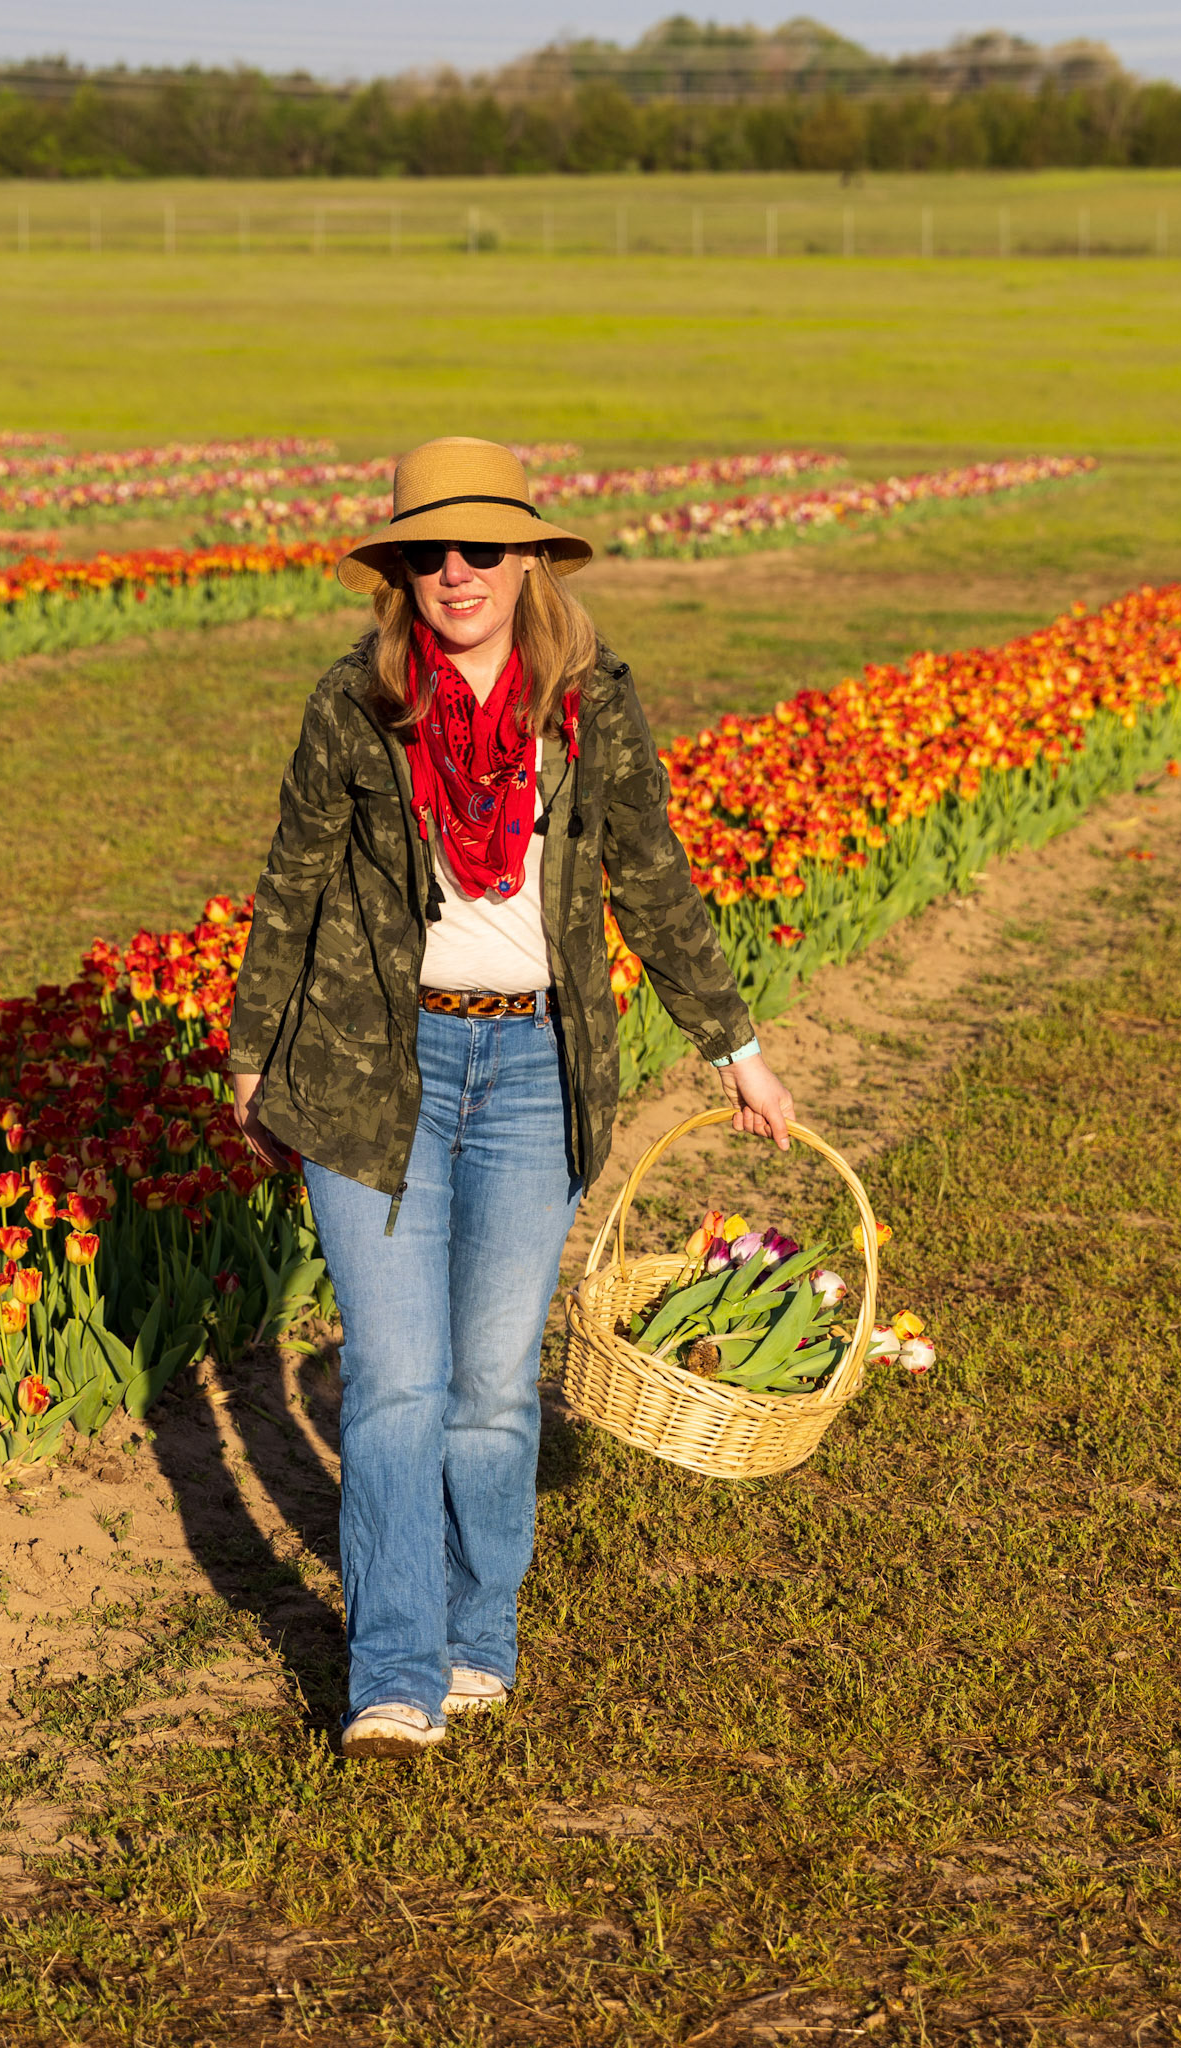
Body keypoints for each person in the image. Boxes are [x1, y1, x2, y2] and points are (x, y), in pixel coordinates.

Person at [228, 437, 794, 1758]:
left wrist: (735, 1048)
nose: (456, 572)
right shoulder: (355, 705)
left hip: (535, 1072)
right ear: (398, 574)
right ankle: (392, 1673)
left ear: (531, 560)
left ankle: (477, 1633)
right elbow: (292, 878)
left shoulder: (590, 707)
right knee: (394, 1385)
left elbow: (651, 874)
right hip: (375, 1073)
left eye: (481, 546)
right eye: (427, 552)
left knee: (488, 1389)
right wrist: (252, 1057)